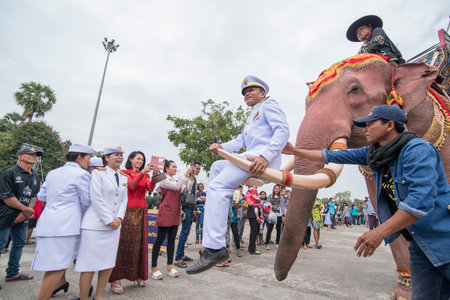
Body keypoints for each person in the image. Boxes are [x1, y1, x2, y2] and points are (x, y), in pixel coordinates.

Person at [283, 105, 450, 298]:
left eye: (370, 124)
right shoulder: (374, 153)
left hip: (443, 236)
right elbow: (331, 155)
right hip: (419, 243)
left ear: (389, 125)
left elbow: (419, 202)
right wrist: (296, 151)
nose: (365, 129)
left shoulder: (417, 150)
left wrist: (378, 232)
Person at [187, 75, 289, 274]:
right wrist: (221, 147)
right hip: (249, 157)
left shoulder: (269, 105)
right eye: (244, 92)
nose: (246, 94)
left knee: (217, 187)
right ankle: (219, 214)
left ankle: (215, 248)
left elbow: (283, 131)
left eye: (251, 90)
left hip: (260, 160)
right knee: (216, 168)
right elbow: (240, 140)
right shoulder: (251, 116)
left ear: (263, 93)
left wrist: (266, 156)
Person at [31, 144, 96, 300]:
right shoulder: (82, 175)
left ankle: (59, 285)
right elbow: (87, 202)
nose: (89, 162)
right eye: (88, 158)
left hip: (48, 223)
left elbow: (42, 196)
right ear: (79, 157)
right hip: (66, 227)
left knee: (52, 266)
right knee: (58, 268)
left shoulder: (53, 173)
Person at [74, 146, 128, 300]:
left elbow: (124, 199)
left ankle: (99, 296)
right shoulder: (98, 173)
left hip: (114, 227)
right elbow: (95, 197)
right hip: (96, 225)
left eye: (121, 155)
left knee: (108, 263)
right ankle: (84, 297)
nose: (119, 158)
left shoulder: (123, 177)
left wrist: (119, 218)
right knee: (88, 264)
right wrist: (109, 219)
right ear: (106, 157)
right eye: (116, 155)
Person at [108, 151, 156, 294]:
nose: (140, 161)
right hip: (127, 210)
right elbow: (132, 186)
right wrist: (142, 172)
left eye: (142, 159)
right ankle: (115, 279)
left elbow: (150, 189)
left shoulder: (146, 175)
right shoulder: (124, 173)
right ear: (131, 160)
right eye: (138, 159)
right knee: (123, 243)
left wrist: (154, 178)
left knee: (140, 244)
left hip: (142, 210)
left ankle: (139, 275)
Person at [0, 145, 42, 287]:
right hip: (5, 214)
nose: (34, 157)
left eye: (35, 155)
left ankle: (12, 272)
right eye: (30, 154)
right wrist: (24, 209)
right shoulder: (9, 173)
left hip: (22, 217)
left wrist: (26, 212)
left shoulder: (35, 177)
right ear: (20, 156)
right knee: (1, 244)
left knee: (19, 243)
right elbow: (7, 197)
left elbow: (34, 197)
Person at [150, 160, 194, 280]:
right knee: (159, 239)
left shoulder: (175, 180)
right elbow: (176, 186)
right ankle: (153, 267)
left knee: (171, 240)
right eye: (173, 167)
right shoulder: (163, 180)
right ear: (166, 168)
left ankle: (169, 265)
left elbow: (187, 187)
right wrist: (186, 173)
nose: (175, 169)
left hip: (175, 212)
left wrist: (192, 175)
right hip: (166, 211)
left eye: (176, 167)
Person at [174, 162, 201, 268]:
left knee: (186, 232)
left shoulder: (195, 181)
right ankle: (178, 258)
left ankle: (181, 254)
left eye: (199, 169)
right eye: (196, 168)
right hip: (185, 208)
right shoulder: (185, 179)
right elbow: (181, 193)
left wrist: (194, 209)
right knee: (184, 232)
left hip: (191, 208)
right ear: (191, 168)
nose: (198, 171)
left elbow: (193, 195)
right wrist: (180, 209)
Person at [265, 184, 284, 250]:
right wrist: (270, 206)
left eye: (278, 189)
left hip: (279, 214)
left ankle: (277, 243)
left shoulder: (281, 197)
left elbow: (282, 206)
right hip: (272, 214)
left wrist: (283, 215)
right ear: (274, 189)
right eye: (276, 189)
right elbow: (267, 203)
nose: (277, 190)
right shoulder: (270, 196)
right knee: (269, 229)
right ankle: (267, 244)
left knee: (279, 230)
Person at [246, 187, 263, 255]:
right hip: (252, 215)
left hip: (256, 214)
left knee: (256, 231)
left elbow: (259, 202)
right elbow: (250, 203)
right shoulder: (249, 192)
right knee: (253, 231)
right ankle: (252, 249)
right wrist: (259, 203)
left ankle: (252, 247)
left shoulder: (255, 193)